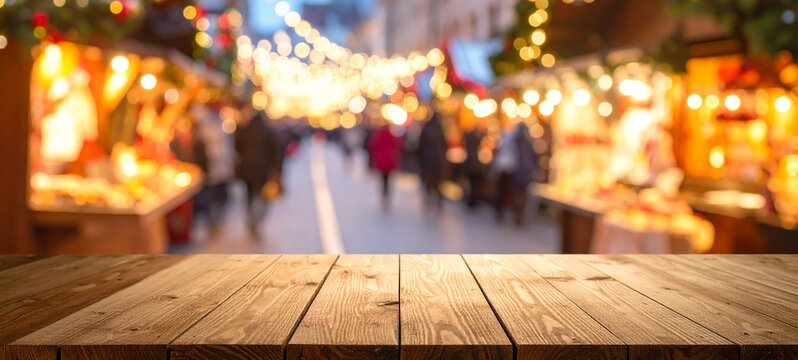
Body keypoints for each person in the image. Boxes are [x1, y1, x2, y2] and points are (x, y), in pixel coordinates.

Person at [234, 106, 284, 236]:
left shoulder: (244, 129)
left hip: (246, 169)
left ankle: (251, 219)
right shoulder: (268, 131)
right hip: (263, 170)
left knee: (249, 196)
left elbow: (237, 147)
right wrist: (277, 170)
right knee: (261, 196)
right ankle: (257, 221)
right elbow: (276, 152)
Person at [492, 122, 537, 225]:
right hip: (523, 172)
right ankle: (519, 214)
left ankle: (514, 213)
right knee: (521, 194)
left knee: (515, 193)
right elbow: (534, 157)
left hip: (515, 171)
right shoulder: (526, 141)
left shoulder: (514, 141)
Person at [417, 112, 447, 211]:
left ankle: (429, 198)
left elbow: (421, 145)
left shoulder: (426, 128)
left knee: (429, 180)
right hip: (438, 160)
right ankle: (439, 201)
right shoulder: (440, 129)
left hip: (428, 159)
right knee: (438, 182)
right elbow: (445, 145)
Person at [368, 123, 403, 208]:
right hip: (389, 161)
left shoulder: (378, 136)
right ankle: (387, 192)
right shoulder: (392, 136)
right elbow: (398, 147)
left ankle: (384, 193)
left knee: (383, 179)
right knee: (388, 179)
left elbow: (373, 146)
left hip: (381, 161)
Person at [463, 120, 487, 208]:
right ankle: (473, 201)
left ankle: (471, 200)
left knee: (472, 183)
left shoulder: (468, 135)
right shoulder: (477, 137)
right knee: (475, 184)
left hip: (469, 162)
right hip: (475, 164)